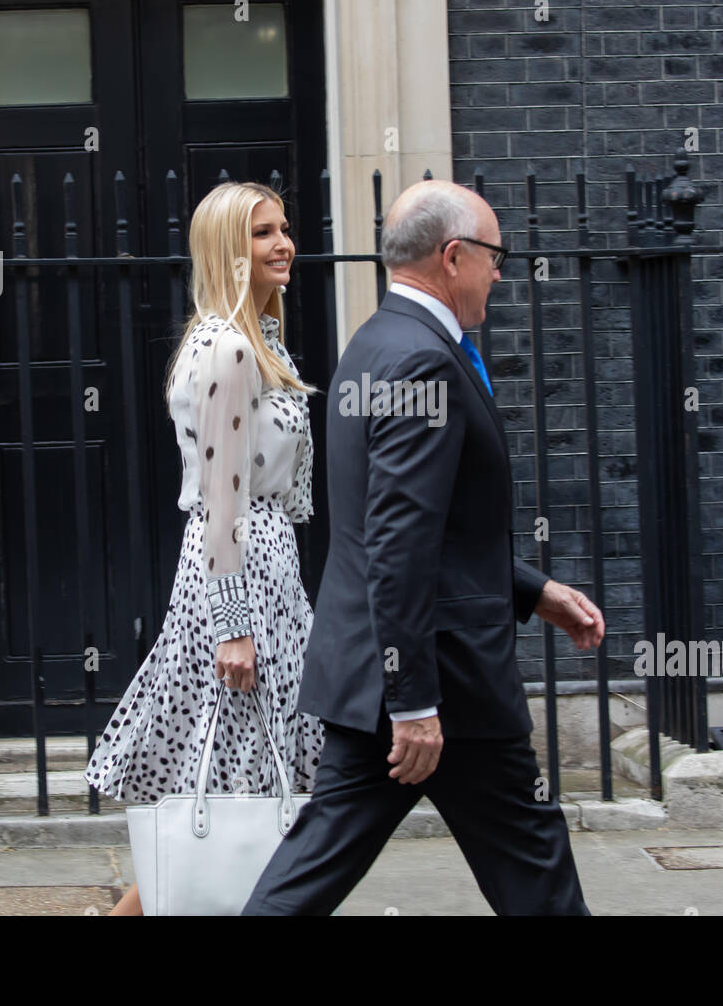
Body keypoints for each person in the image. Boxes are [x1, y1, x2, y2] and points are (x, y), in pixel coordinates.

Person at [242, 179, 605, 916]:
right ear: (453, 256)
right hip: (439, 681)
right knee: (531, 861)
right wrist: (413, 702)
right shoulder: (425, 361)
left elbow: (422, 532)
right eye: (494, 257)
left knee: (311, 873)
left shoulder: (374, 344)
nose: (499, 273)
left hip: (385, 671)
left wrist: (533, 590)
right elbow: (398, 540)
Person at [83, 181, 324, 916]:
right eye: (262, 233)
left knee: (235, 786)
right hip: (237, 578)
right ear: (227, 249)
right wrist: (234, 627)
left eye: (283, 228)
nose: (283, 242)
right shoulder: (227, 349)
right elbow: (223, 500)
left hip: (265, 574)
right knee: (229, 786)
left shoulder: (258, 339)